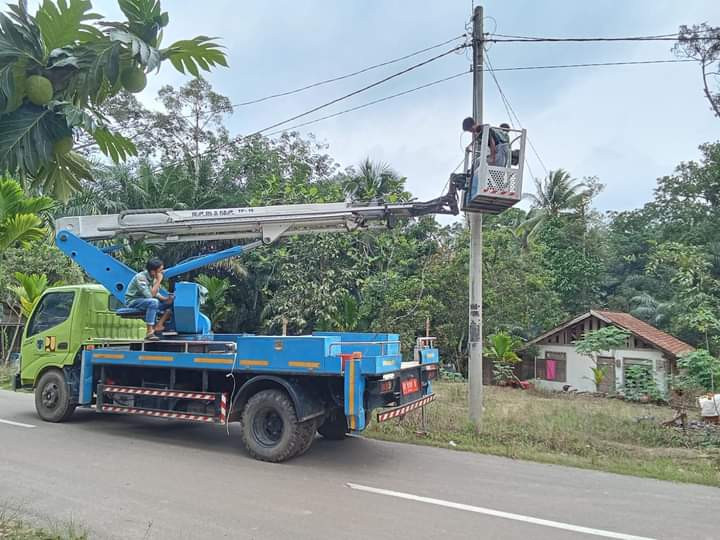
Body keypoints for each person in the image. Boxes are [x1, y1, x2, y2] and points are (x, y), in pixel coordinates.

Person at [125, 258, 174, 340]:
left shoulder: (153, 278)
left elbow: (156, 294)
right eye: (160, 270)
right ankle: (149, 332)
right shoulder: (140, 278)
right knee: (153, 302)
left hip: (147, 301)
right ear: (152, 272)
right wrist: (159, 280)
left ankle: (159, 325)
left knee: (170, 305)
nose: (162, 272)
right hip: (134, 301)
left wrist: (166, 299)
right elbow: (149, 296)